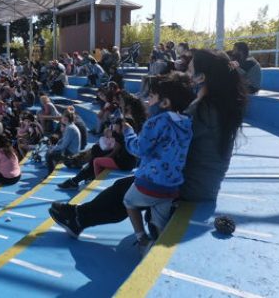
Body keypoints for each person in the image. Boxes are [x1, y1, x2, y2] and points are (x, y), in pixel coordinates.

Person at [49, 49, 247, 244]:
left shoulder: (201, 110)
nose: (186, 72)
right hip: (202, 184)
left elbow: (155, 141)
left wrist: (138, 125)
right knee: (130, 186)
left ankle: (78, 218)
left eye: (190, 69)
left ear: (201, 77)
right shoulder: (219, 106)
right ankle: (81, 216)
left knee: (126, 191)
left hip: (190, 187)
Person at [122, 73, 194, 250]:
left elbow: (139, 149)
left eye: (152, 97)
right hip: (171, 186)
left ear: (165, 103)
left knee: (128, 202)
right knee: (159, 226)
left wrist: (128, 133)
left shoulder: (156, 122)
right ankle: (155, 245)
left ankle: (142, 239)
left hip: (150, 183)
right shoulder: (186, 123)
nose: (147, 101)